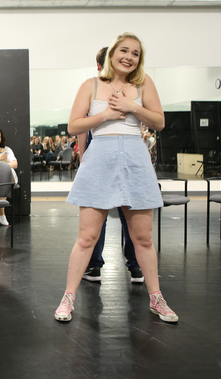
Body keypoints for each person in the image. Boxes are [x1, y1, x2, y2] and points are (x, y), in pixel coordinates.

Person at [55, 32, 178, 323]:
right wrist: (107, 114)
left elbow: (159, 121)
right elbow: (74, 126)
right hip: (100, 159)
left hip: (135, 160)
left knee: (143, 238)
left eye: (135, 53)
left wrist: (132, 107)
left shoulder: (144, 84)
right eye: (124, 51)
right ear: (112, 54)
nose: (129, 57)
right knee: (86, 237)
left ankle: (157, 298)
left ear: (139, 60)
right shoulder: (91, 84)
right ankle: (68, 298)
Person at [81, 46, 143, 284]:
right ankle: (115, 265)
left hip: (124, 155)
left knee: (128, 214)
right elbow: (80, 126)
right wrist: (86, 157)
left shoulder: (132, 88)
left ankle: (131, 265)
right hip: (101, 155)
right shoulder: (92, 87)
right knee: (101, 216)